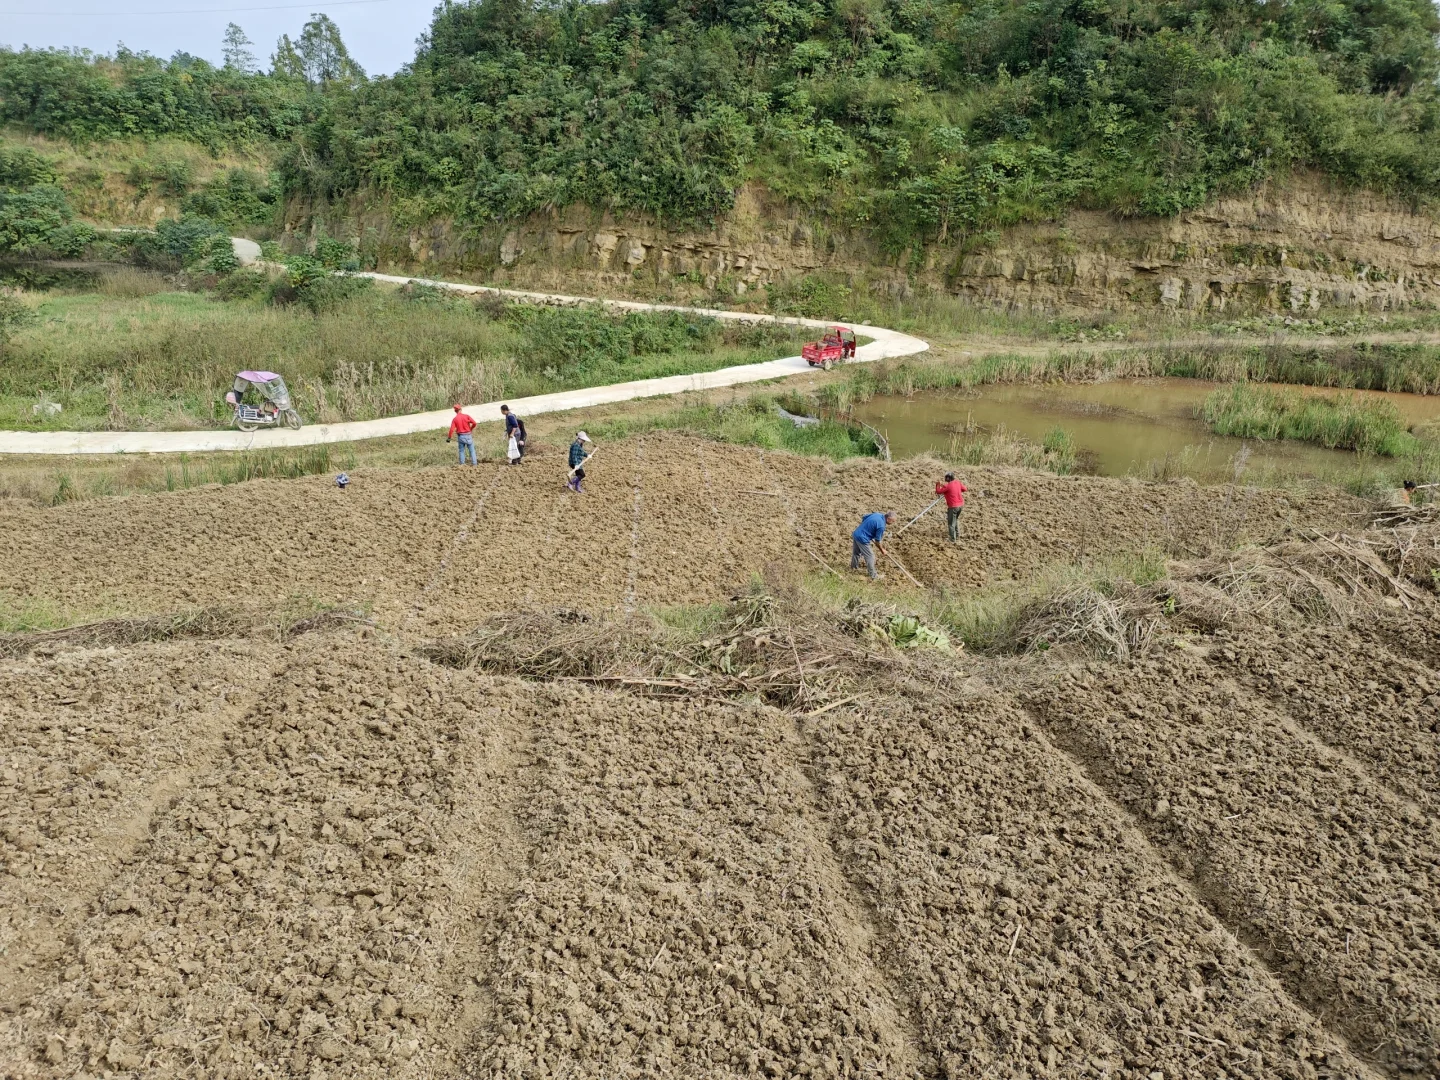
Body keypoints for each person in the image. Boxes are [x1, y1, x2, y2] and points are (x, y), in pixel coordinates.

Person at [851, 511, 894, 581]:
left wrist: (867, 528)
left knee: (856, 553)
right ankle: (873, 576)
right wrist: (882, 550)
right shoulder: (881, 526)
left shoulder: (877, 514)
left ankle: (853, 568)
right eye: (893, 521)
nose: (893, 523)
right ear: (888, 519)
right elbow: (877, 542)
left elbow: (864, 517)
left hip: (856, 533)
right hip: (863, 539)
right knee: (870, 556)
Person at [935, 472, 968, 542]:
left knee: (951, 523)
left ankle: (952, 539)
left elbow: (938, 491)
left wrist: (938, 484)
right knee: (955, 520)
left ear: (948, 478)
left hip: (953, 507)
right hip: (961, 505)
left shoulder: (947, 486)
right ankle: (957, 534)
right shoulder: (958, 483)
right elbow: (965, 489)